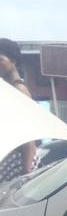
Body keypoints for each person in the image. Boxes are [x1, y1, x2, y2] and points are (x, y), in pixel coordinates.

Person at [0, 38, 38, 182]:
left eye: (0, 59)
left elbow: (29, 133)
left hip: (19, 160)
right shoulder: (8, 89)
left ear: (13, 61)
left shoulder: (19, 90)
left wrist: (26, 172)